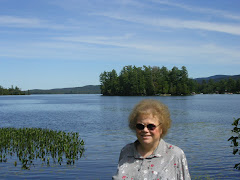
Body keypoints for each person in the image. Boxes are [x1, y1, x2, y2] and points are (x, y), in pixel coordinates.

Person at [112, 99, 191, 180]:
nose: (145, 130)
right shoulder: (126, 151)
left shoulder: (175, 154)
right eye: (140, 126)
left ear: (161, 128)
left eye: (151, 126)